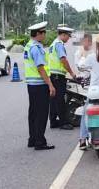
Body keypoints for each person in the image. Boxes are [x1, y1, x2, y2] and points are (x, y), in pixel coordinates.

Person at [24, 21, 56, 150]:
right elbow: (41, 68)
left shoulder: (28, 45)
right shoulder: (36, 48)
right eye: (44, 33)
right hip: (40, 84)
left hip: (31, 85)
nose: (45, 35)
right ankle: (40, 141)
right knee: (41, 114)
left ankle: (32, 139)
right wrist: (50, 85)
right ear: (38, 33)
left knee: (33, 113)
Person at [48, 25, 76, 130]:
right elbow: (63, 60)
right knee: (60, 99)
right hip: (58, 76)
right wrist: (72, 73)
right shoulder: (59, 45)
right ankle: (63, 122)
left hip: (52, 75)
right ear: (63, 35)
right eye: (68, 36)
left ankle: (53, 121)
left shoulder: (52, 44)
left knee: (53, 100)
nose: (68, 38)